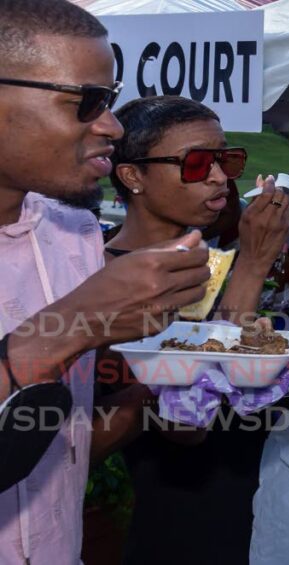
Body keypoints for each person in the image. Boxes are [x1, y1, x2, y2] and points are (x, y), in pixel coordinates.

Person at [0, 0, 210, 561]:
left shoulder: (75, 233)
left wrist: (174, 384)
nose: (112, 128)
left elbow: (62, 446)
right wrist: (73, 325)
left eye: (110, 102)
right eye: (87, 101)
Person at [102, 94, 289, 564]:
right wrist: (253, 266)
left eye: (227, 159)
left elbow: (235, 375)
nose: (219, 177)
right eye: (196, 163)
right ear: (133, 176)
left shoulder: (209, 261)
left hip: (241, 492)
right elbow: (185, 423)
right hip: (167, 512)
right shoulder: (104, 278)